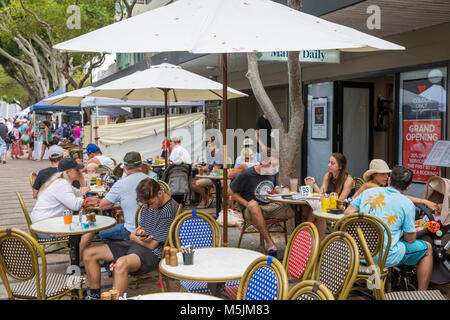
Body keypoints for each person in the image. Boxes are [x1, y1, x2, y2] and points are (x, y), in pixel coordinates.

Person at [83, 178, 178, 299]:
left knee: (121, 263)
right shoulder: (151, 203)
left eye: (150, 204)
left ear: (160, 193)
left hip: (154, 253)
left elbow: (153, 245)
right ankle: (95, 296)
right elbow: (143, 226)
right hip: (139, 245)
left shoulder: (168, 211)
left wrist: (134, 237)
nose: (148, 207)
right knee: (89, 253)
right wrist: (140, 231)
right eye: (146, 204)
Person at [344, 166, 433, 291]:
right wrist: (413, 230)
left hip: (358, 250)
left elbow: (347, 214)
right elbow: (410, 239)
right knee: (427, 248)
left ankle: (380, 283)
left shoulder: (368, 193)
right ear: (408, 187)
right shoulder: (407, 204)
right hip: (384, 256)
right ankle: (421, 294)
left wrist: (368, 223)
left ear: (389, 180)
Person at [80, 152, 149, 256]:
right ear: (141, 166)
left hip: (131, 229)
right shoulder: (152, 180)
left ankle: (119, 253)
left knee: (103, 233)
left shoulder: (121, 184)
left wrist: (107, 199)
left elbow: (103, 206)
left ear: (124, 168)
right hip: (152, 228)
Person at [229, 150, 294, 258]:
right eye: (272, 165)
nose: (274, 168)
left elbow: (273, 189)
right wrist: (247, 203)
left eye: (276, 165)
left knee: (297, 210)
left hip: (270, 206)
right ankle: (271, 245)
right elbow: (231, 191)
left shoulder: (272, 173)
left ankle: (302, 245)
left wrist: (278, 196)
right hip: (252, 210)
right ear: (263, 162)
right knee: (254, 205)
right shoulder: (247, 174)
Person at [30, 158, 97, 238]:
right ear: (68, 172)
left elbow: (78, 193)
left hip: (43, 224)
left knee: (83, 223)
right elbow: (76, 205)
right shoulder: (62, 184)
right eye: (77, 170)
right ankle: (78, 249)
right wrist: (83, 193)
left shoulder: (62, 182)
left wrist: (81, 182)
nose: (80, 172)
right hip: (44, 229)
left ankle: (77, 247)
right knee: (88, 228)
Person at [303, 153, 355, 241]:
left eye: (332, 163)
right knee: (314, 208)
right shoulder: (328, 175)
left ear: (340, 166)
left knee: (317, 211)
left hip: (343, 210)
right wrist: (313, 183)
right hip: (330, 207)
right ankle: (316, 241)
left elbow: (340, 201)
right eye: (329, 162)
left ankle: (306, 233)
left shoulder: (348, 179)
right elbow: (321, 193)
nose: (329, 165)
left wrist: (328, 197)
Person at [354, 159, 440, 212]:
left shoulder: (378, 186)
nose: (386, 177)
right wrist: (424, 201)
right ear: (374, 175)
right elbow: (397, 196)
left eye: (387, 174)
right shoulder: (370, 186)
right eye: (383, 174)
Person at [191, 142, 222, 209]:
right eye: (208, 146)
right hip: (210, 176)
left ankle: (204, 200)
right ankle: (206, 197)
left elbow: (215, 170)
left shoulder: (219, 155)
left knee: (197, 182)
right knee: (191, 183)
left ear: (215, 146)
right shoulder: (212, 154)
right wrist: (200, 166)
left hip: (216, 179)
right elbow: (208, 167)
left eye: (209, 146)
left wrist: (205, 170)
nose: (208, 148)